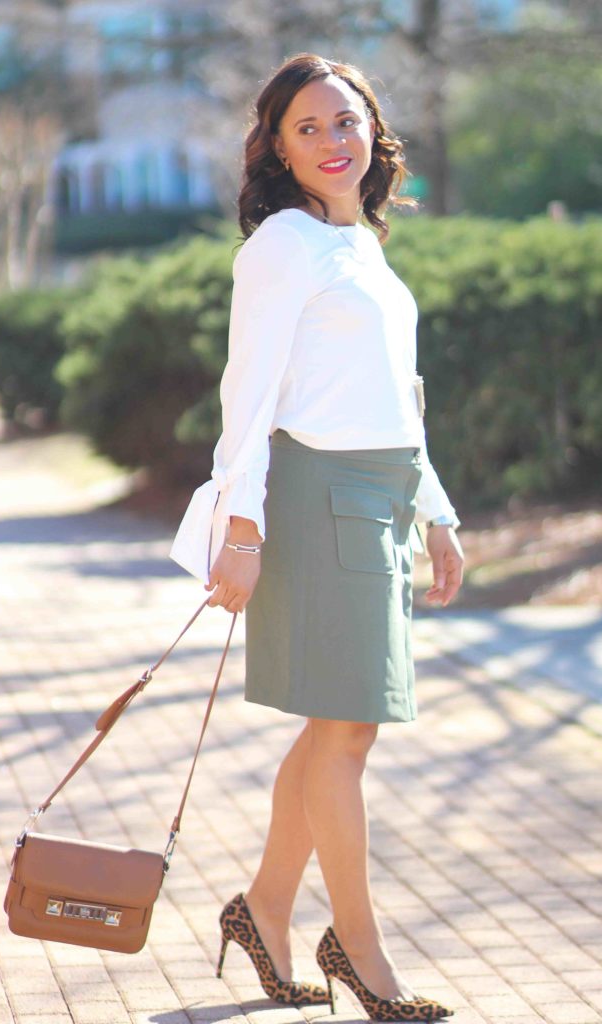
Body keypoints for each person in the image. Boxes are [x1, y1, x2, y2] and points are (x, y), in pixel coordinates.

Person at [170, 52, 464, 1023]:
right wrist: (240, 526)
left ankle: (263, 907)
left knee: (339, 727)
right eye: (309, 128)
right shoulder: (285, 246)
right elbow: (245, 400)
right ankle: (361, 950)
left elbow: (396, 398)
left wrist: (435, 512)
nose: (332, 141)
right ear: (279, 150)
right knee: (346, 730)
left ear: (370, 131)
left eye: (345, 122)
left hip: (378, 498)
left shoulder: (362, 244)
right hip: (317, 495)